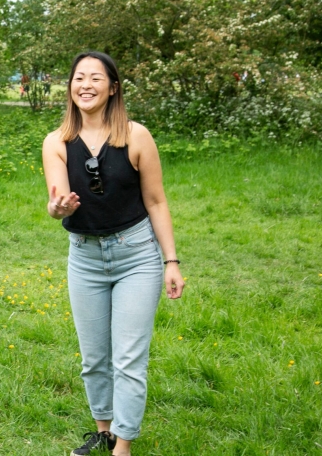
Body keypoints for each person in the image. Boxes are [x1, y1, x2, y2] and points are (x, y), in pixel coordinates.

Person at [41, 51, 184, 456]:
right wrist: (59, 208)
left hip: (136, 255)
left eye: (95, 78)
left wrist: (170, 261)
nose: (85, 85)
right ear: (70, 87)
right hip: (84, 257)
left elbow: (156, 201)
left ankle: (123, 445)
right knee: (94, 357)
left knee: (128, 358)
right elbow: (54, 200)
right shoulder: (56, 142)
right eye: (78, 78)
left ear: (113, 88)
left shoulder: (136, 136)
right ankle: (103, 431)